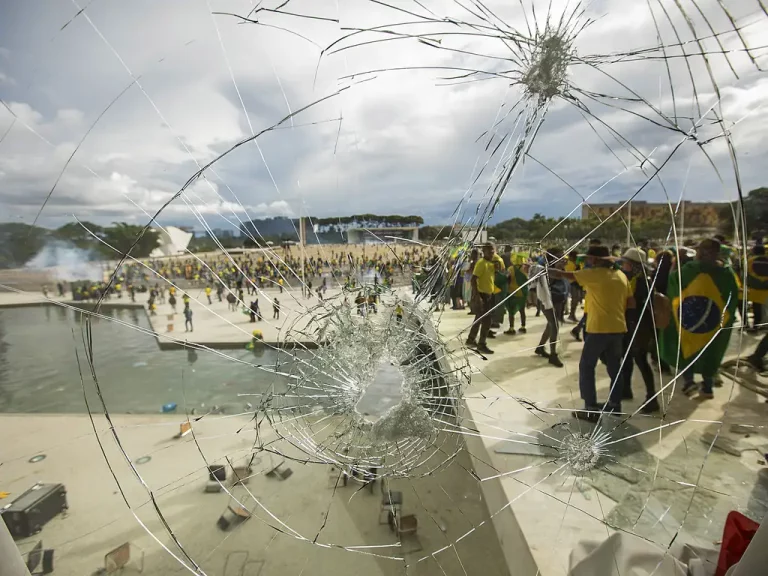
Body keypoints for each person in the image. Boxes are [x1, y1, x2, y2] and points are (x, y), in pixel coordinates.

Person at [557, 245, 631, 419]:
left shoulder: (594, 274)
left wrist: (541, 269)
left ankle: (590, 409)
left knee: (587, 366)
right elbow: (631, 302)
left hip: (598, 329)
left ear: (596, 260)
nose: (588, 262)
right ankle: (615, 405)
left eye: (589, 259)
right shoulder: (621, 276)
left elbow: (564, 275)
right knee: (614, 368)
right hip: (618, 328)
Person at [661, 238, 739, 399]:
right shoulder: (725, 273)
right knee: (711, 350)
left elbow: (673, 283)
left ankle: (689, 382)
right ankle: (707, 386)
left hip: (688, 320)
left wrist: (675, 265)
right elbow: (732, 297)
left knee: (687, 348)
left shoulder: (689, 270)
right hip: (713, 322)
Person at [618, 248, 659, 413]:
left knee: (641, 360)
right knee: (627, 358)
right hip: (631, 325)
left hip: (639, 326)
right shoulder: (635, 278)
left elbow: (640, 306)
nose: (623, 265)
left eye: (626, 262)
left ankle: (652, 398)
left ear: (633, 264)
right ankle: (626, 389)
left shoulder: (643, 281)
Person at [529, 249, 563, 367]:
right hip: (547, 301)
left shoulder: (559, 267)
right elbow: (546, 283)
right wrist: (557, 269)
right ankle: (553, 355)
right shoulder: (545, 269)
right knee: (554, 325)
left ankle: (540, 348)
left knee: (551, 324)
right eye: (559, 256)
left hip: (557, 299)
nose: (562, 259)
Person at [466, 243, 497, 355]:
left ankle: (471, 339)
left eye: (493, 252)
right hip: (482, 295)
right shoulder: (481, 263)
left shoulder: (490, 263)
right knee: (487, 321)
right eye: (490, 252)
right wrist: (477, 297)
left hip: (488, 294)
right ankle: (481, 344)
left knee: (479, 318)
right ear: (484, 252)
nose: (492, 254)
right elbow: (473, 280)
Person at [504, 255, 528, 335]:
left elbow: (507, 279)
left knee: (511, 311)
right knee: (522, 310)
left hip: (512, 292)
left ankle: (511, 328)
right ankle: (523, 327)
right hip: (523, 292)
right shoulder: (525, 268)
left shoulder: (510, 269)